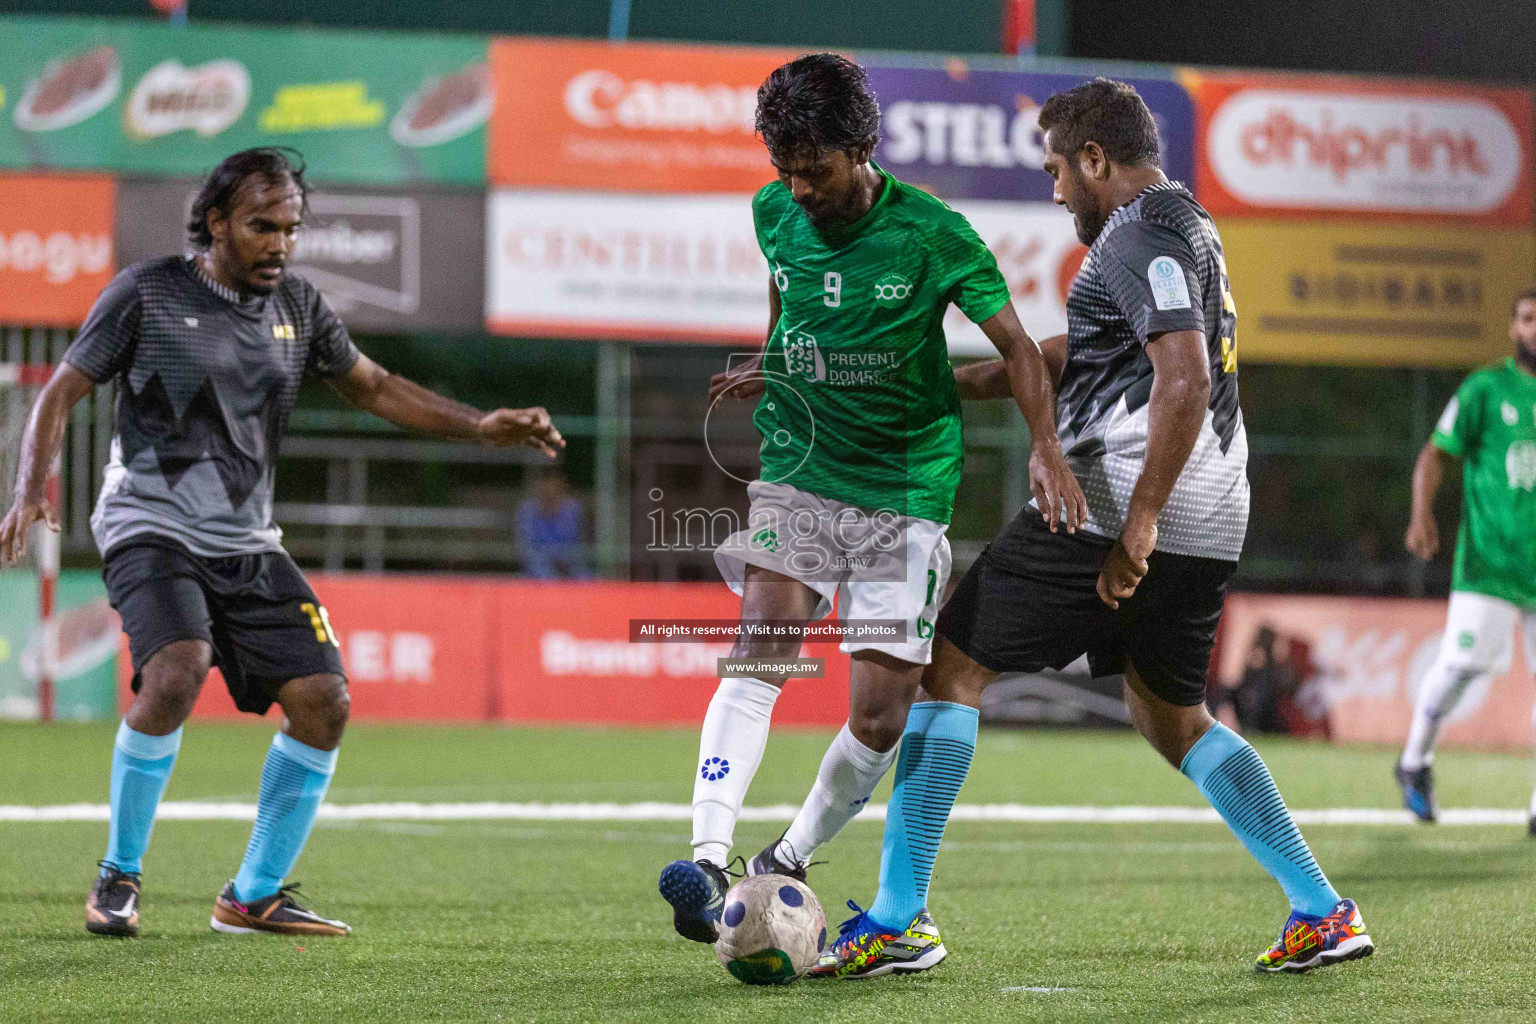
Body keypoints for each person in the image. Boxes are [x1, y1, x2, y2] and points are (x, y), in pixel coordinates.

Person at [812, 78, 1373, 979]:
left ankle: (897, 917)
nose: (1054, 190)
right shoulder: (1186, 226)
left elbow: (1181, 378)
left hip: (1117, 505)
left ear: (1096, 160)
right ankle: (1320, 907)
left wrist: (1139, 524)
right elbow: (1091, 357)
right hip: (1218, 514)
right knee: (1173, 718)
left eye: (1057, 172)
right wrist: (953, 382)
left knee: (947, 668)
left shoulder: (1138, 233)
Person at [0, 147, 563, 939]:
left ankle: (252, 895)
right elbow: (62, 388)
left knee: (324, 702)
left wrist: (481, 424)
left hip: (247, 541)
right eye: (263, 226)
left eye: (292, 228)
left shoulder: (299, 307)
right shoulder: (147, 292)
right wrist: (30, 488)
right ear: (218, 221)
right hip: (148, 524)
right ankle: (118, 875)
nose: (280, 243)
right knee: (177, 668)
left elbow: (373, 386)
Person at [656, 54, 1084, 950]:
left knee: (881, 712)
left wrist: (1046, 448)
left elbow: (1015, 348)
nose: (798, 187)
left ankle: (791, 854)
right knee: (761, 645)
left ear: (862, 146)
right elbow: (786, 296)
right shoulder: (774, 211)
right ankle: (706, 856)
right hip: (802, 468)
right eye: (785, 168)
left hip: (903, 490)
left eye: (814, 167)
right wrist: (769, 361)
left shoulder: (934, 233)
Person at [1396, 287, 1536, 828]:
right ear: (1512, 327)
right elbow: (1436, 451)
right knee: (1461, 666)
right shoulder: (1487, 387)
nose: (1534, 328)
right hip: (1490, 565)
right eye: (1526, 318)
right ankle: (1414, 761)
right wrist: (1420, 512)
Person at [516, 470, 588, 579]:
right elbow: (525, 546)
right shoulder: (527, 510)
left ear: (562, 487)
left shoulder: (572, 509)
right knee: (544, 576)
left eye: (554, 486)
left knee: (585, 578)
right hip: (538, 565)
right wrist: (549, 559)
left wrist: (564, 560)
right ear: (539, 487)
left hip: (569, 563)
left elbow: (576, 541)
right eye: (546, 486)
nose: (550, 490)